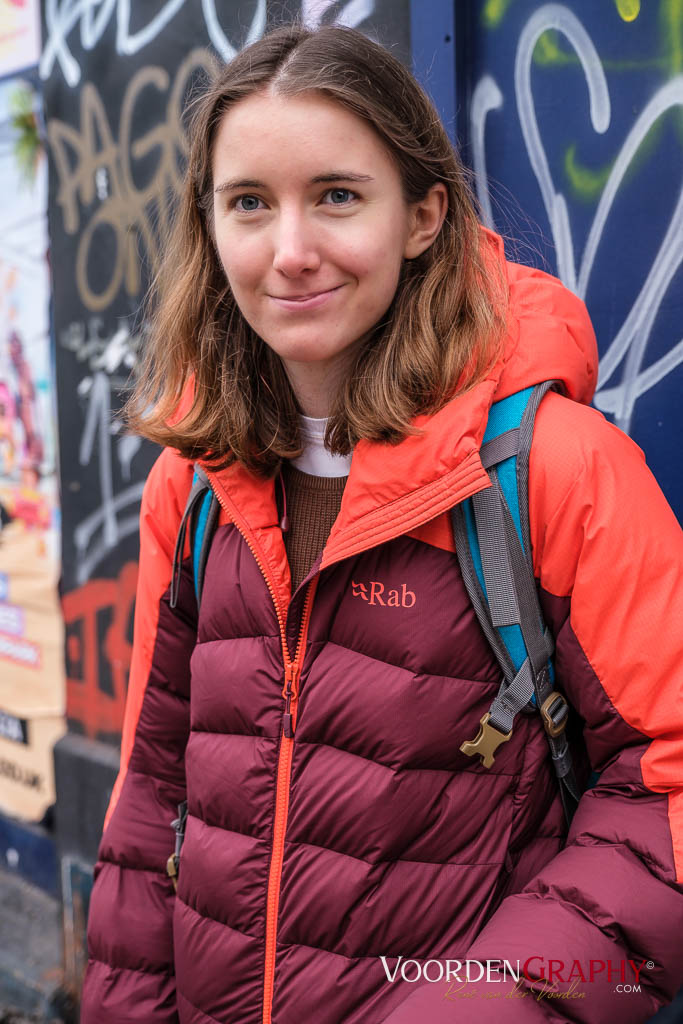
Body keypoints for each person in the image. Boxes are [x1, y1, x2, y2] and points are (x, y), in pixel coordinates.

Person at [80, 22, 683, 1024]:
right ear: (209, 225)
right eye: (248, 203)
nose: (290, 252)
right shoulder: (190, 488)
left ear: (421, 216)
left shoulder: (551, 471)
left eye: (336, 196)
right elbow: (150, 797)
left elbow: (666, 782)